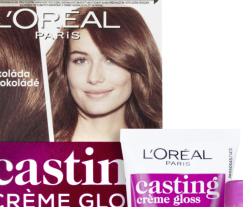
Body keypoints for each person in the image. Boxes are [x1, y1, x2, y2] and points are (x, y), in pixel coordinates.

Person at [47, 7, 162, 142]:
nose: (94, 78)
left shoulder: (157, 148)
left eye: (111, 60)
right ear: (64, 69)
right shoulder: (36, 146)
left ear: (137, 66)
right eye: (81, 60)